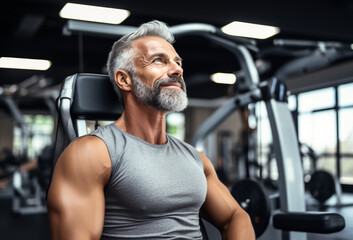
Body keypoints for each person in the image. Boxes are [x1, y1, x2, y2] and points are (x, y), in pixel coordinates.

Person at [47, 20, 255, 240]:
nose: (177, 70)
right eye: (159, 60)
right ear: (124, 79)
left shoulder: (195, 158)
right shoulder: (92, 153)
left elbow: (235, 216)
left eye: (177, 62)